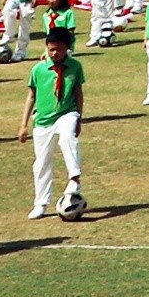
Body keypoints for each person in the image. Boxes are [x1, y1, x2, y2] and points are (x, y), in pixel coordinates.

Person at [26, 23, 88, 222]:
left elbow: (78, 92)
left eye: (59, 50)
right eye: (51, 49)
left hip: (67, 113)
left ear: (67, 49)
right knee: (41, 164)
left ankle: (74, 178)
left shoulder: (75, 66)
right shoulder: (39, 69)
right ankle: (41, 203)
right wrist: (23, 123)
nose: (55, 53)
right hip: (43, 121)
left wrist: (79, 117)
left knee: (67, 138)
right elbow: (31, 96)